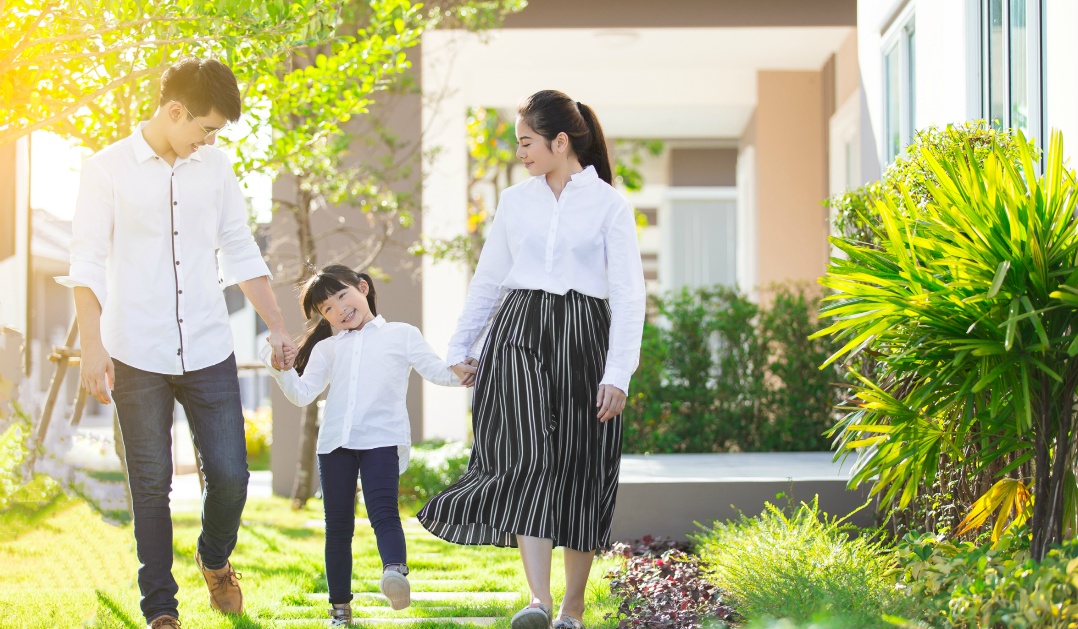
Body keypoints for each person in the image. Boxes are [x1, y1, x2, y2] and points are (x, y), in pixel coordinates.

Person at [56, 57, 295, 629]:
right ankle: (160, 607)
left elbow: (240, 249)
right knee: (151, 485)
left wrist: (279, 326)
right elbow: (86, 261)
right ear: (174, 110)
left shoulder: (214, 170)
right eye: (205, 128)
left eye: (215, 134)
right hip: (134, 350)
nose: (207, 141)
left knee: (232, 476)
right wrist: (92, 345)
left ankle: (214, 559)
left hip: (208, 347)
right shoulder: (106, 169)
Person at [417, 90, 646, 629]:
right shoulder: (516, 201)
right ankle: (539, 601)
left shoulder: (610, 204)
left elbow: (629, 295)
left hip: (583, 336)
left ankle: (573, 606)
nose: (519, 152)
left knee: (581, 465)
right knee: (526, 459)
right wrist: (461, 346)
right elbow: (490, 278)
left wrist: (619, 374)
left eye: (526, 142)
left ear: (559, 141)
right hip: (517, 333)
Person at [264, 265, 467, 627]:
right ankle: (339, 610)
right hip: (335, 444)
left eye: (342, 296)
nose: (338, 309)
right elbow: (301, 394)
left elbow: (437, 372)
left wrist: (468, 369)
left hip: (381, 439)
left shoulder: (401, 335)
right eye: (327, 308)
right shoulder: (326, 349)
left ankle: (394, 574)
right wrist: (280, 368)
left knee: (383, 513)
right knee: (337, 527)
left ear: (363, 287)